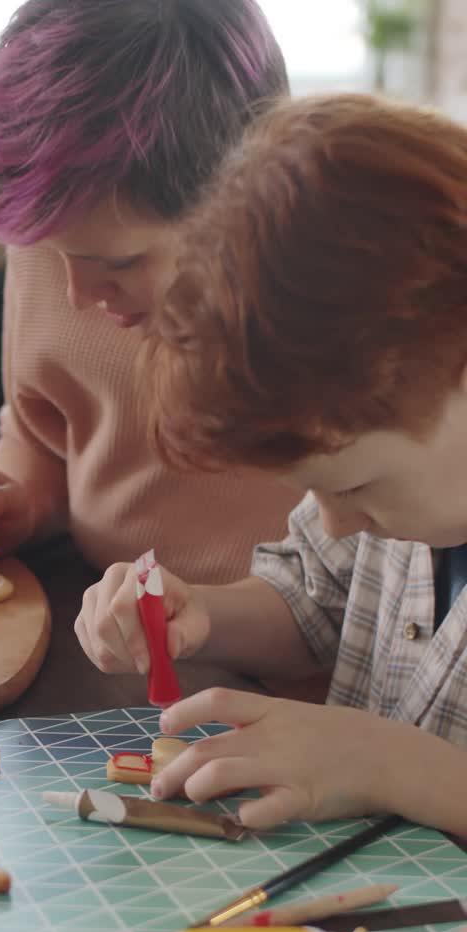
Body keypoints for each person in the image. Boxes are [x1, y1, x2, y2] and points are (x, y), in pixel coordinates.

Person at [75, 94, 467, 840]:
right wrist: (204, 617)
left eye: (352, 486)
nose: (335, 519)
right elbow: (316, 597)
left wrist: (390, 763)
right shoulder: (399, 461)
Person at [0, 0, 298, 584]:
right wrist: (14, 506)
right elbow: (40, 433)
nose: (76, 295)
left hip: (296, 649)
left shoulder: (330, 288)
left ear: (245, 195)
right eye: (52, 252)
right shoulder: (57, 222)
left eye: (118, 262)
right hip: (103, 611)